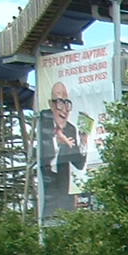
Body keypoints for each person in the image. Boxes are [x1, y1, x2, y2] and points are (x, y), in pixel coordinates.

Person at [38, 81, 88, 217]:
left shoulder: (70, 129)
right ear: (51, 104)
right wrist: (57, 141)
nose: (64, 109)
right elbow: (41, 154)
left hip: (65, 198)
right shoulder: (44, 120)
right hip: (47, 198)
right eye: (59, 102)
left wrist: (83, 142)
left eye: (67, 103)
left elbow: (79, 164)